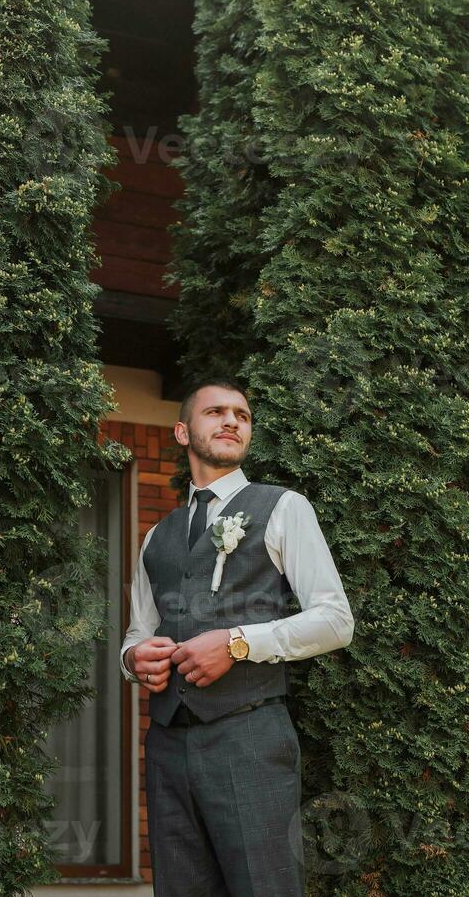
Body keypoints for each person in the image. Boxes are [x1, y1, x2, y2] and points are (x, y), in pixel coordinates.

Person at [118, 377, 355, 897]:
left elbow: (336, 620)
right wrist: (135, 657)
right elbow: (139, 631)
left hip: (248, 738)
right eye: (216, 412)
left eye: (242, 416)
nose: (231, 421)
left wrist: (237, 642)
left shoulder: (284, 507)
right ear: (182, 432)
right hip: (167, 745)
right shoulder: (159, 534)